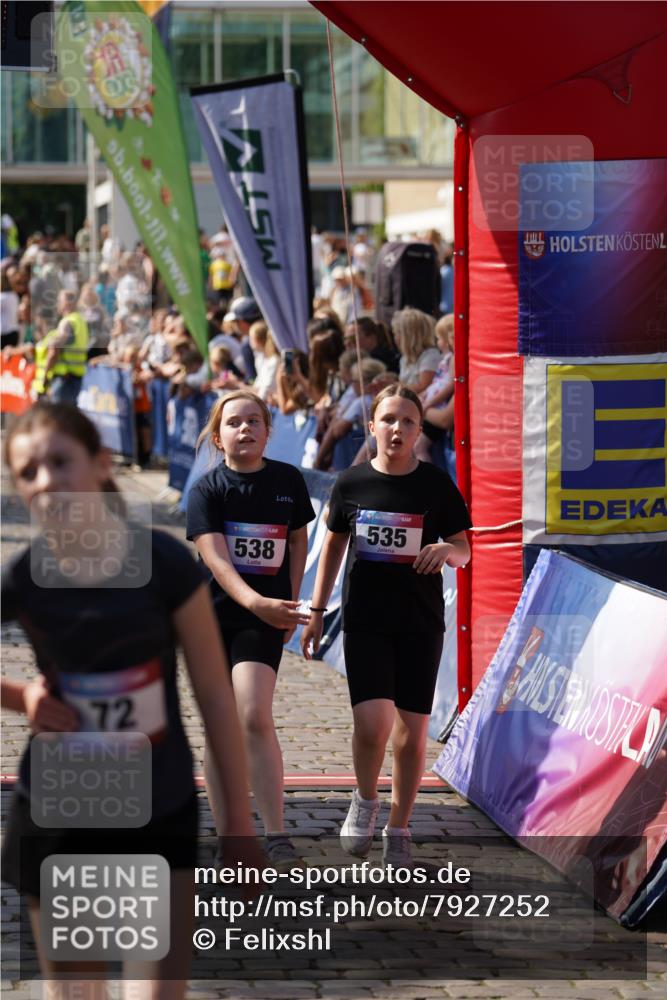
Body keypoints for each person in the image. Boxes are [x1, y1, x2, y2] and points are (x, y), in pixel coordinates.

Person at [1, 401, 261, 997]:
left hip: (159, 807)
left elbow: (217, 699)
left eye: (60, 462)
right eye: (29, 472)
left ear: (99, 464)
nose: (47, 482)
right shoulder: (22, 577)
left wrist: (240, 828)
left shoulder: (163, 562)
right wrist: (23, 698)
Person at [301, 383, 471, 868]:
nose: (398, 429)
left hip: (419, 622)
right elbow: (332, 544)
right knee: (373, 724)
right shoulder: (351, 483)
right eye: (389, 420)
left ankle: (398, 826)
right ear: (371, 426)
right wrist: (316, 612)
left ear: (420, 431)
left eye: (408, 422)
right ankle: (364, 798)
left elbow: (464, 546)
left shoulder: (436, 486)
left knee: (412, 735)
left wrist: (447, 551)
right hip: (367, 619)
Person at [186, 390, 315, 864]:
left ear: (267, 430)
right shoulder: (206, 491)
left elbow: (297, 538)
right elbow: (217, 561)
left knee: (254, 714)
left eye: (254, 421)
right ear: (218, 437)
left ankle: (277, 834)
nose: (245, 429)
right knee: (222, 728)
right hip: (215, 618)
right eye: (234, 422)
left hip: (264, 618)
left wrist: (290, 601)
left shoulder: (288, 481)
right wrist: (261, 603)